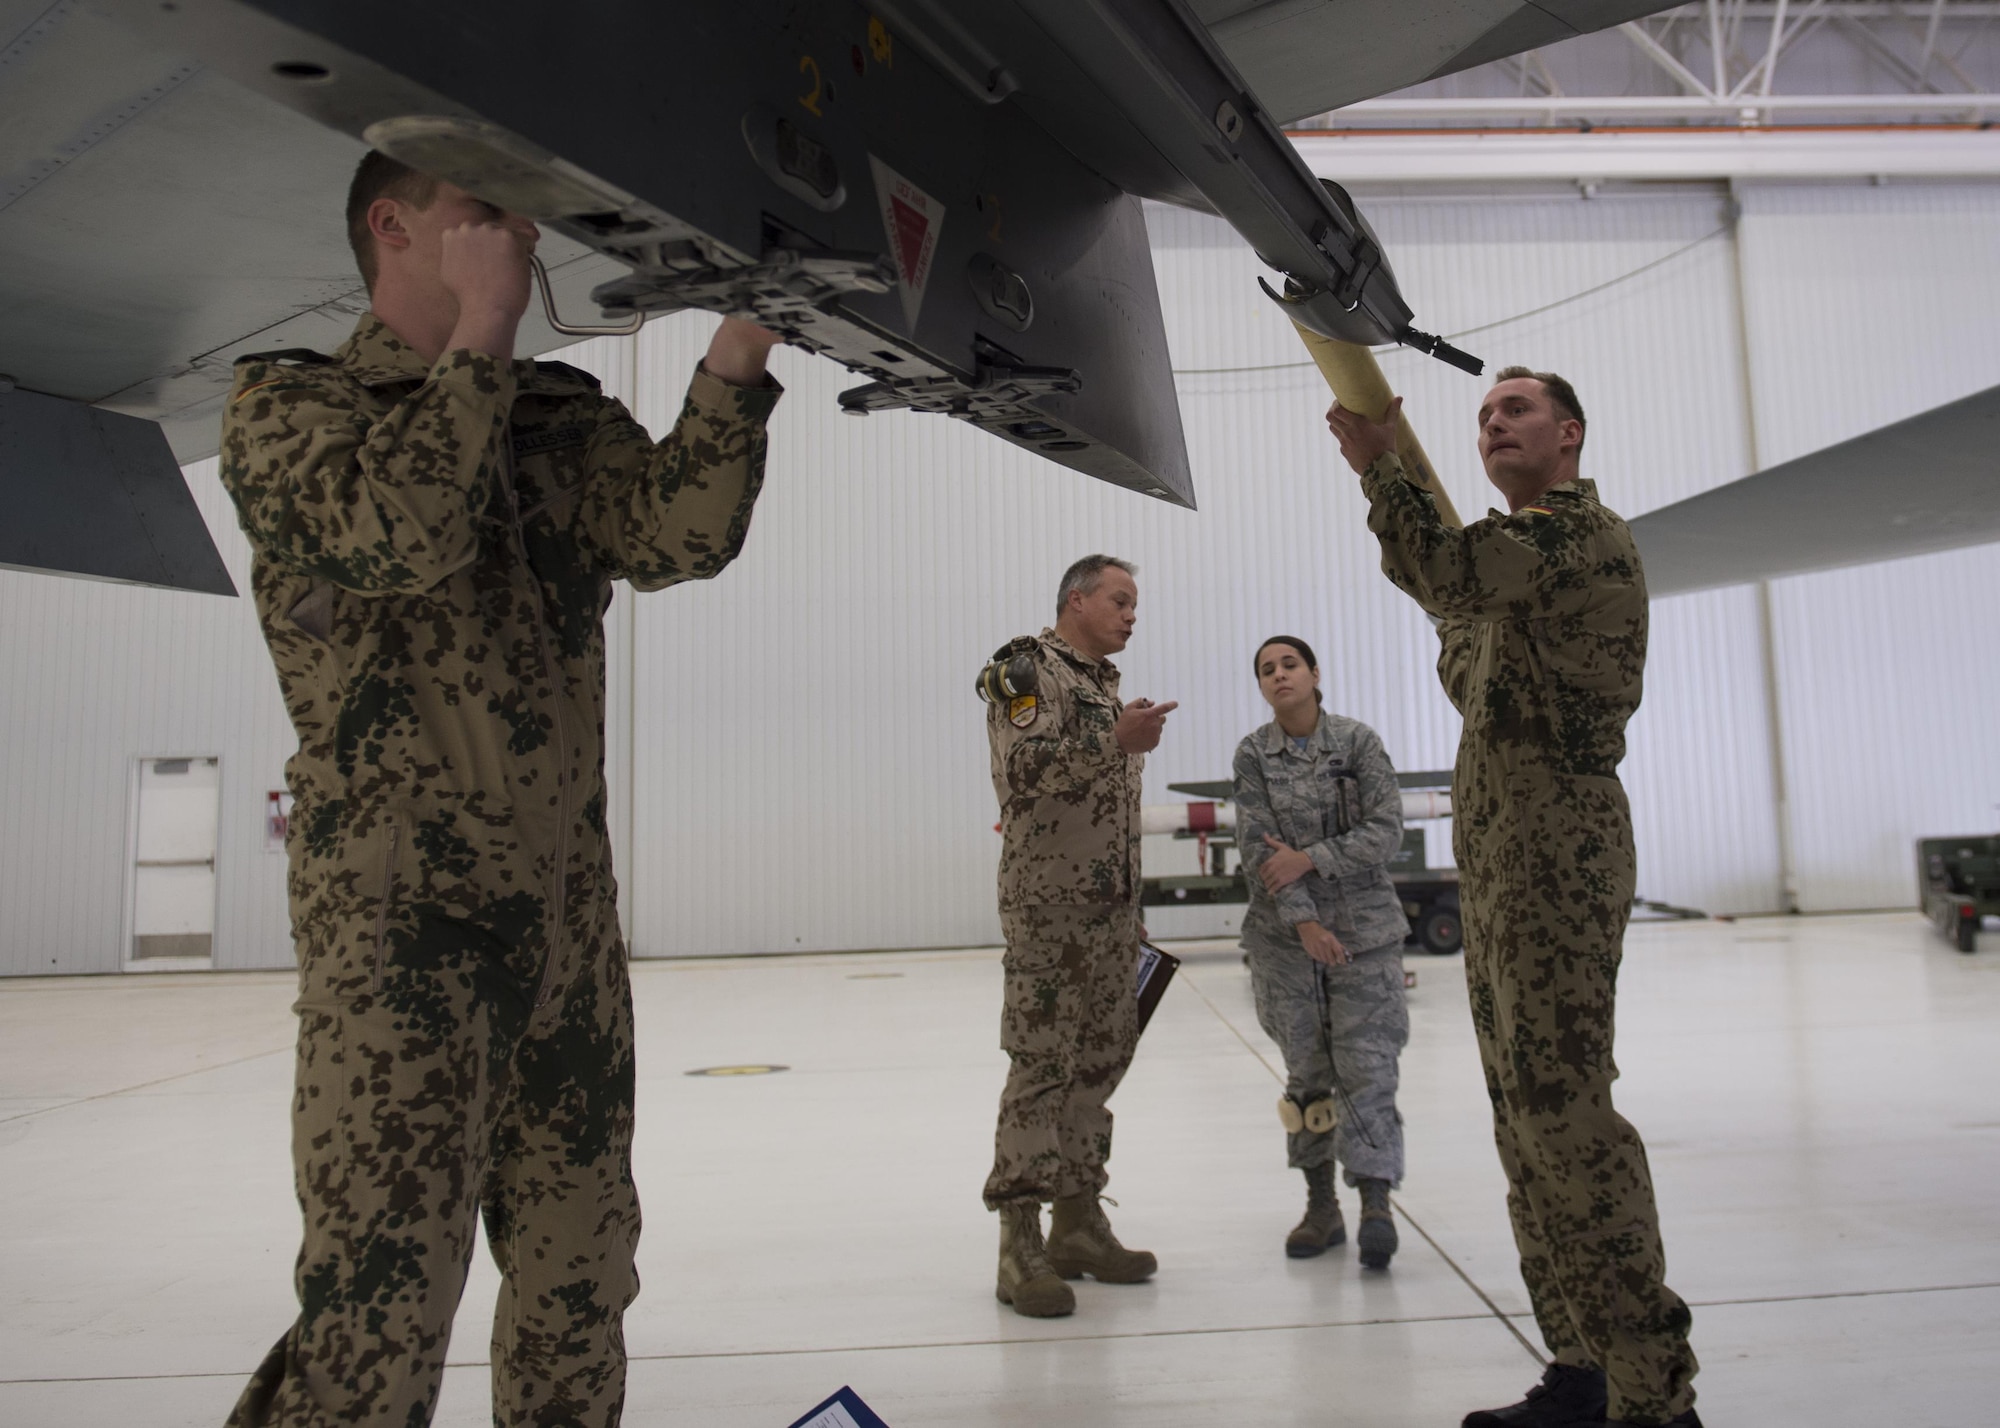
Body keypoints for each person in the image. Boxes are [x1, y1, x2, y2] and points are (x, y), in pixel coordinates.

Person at [217, 151, 784, 1426]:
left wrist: (741, 343)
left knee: (581, 1277)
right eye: (480, 213)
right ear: (392, 224)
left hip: (563, 925)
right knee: (383, 1293)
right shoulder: (286, 409)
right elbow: (400, 533)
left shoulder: (552, 414)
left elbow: (677, 534)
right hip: (402, 926)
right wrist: (479, 328)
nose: (517, 232)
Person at [1327, 370, 1701, 1428]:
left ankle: (1652, 1399)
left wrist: (1382, 471)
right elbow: (1465, 646)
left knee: (1563, 1121)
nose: (1493, 424)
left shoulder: (1572, 537)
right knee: (1520, 1123)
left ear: (1567, 434)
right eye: (1484, 415)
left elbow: (1448, 570)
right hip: (1501, 855)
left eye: (1515, 411)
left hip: (1556, 855)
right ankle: (1580, 1372)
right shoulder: (1517, 571)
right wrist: (1408, 500)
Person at [978, 554, 1177, 1317]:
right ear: (1076, 599)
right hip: (1048, 915)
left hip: (1109, 917)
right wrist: (1114, 742)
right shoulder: (1024, 669)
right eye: (1120, 600)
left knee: (1096, 1069)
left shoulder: (1103, 687)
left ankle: (1079, 1222)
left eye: (1135, 604)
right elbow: (1022, 774)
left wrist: (1132, 909)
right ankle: (1019, 1244)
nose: (1132, 614)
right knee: (1041, 1070)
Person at [1232, 636, 1411, 1268]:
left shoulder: (1357, 743)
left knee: (1368, 1069)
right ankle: (1320, 1206)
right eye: (1266, 670)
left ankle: (1375, 1204)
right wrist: (1304, 922)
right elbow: (1257, 849)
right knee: (1307, 1074)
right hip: (1285, 945)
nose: (1279, 676)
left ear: (1313, 674)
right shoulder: (1254, 754)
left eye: (1289, 665)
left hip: (1364, 937)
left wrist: (1311, 857)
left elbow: (1387, 829)